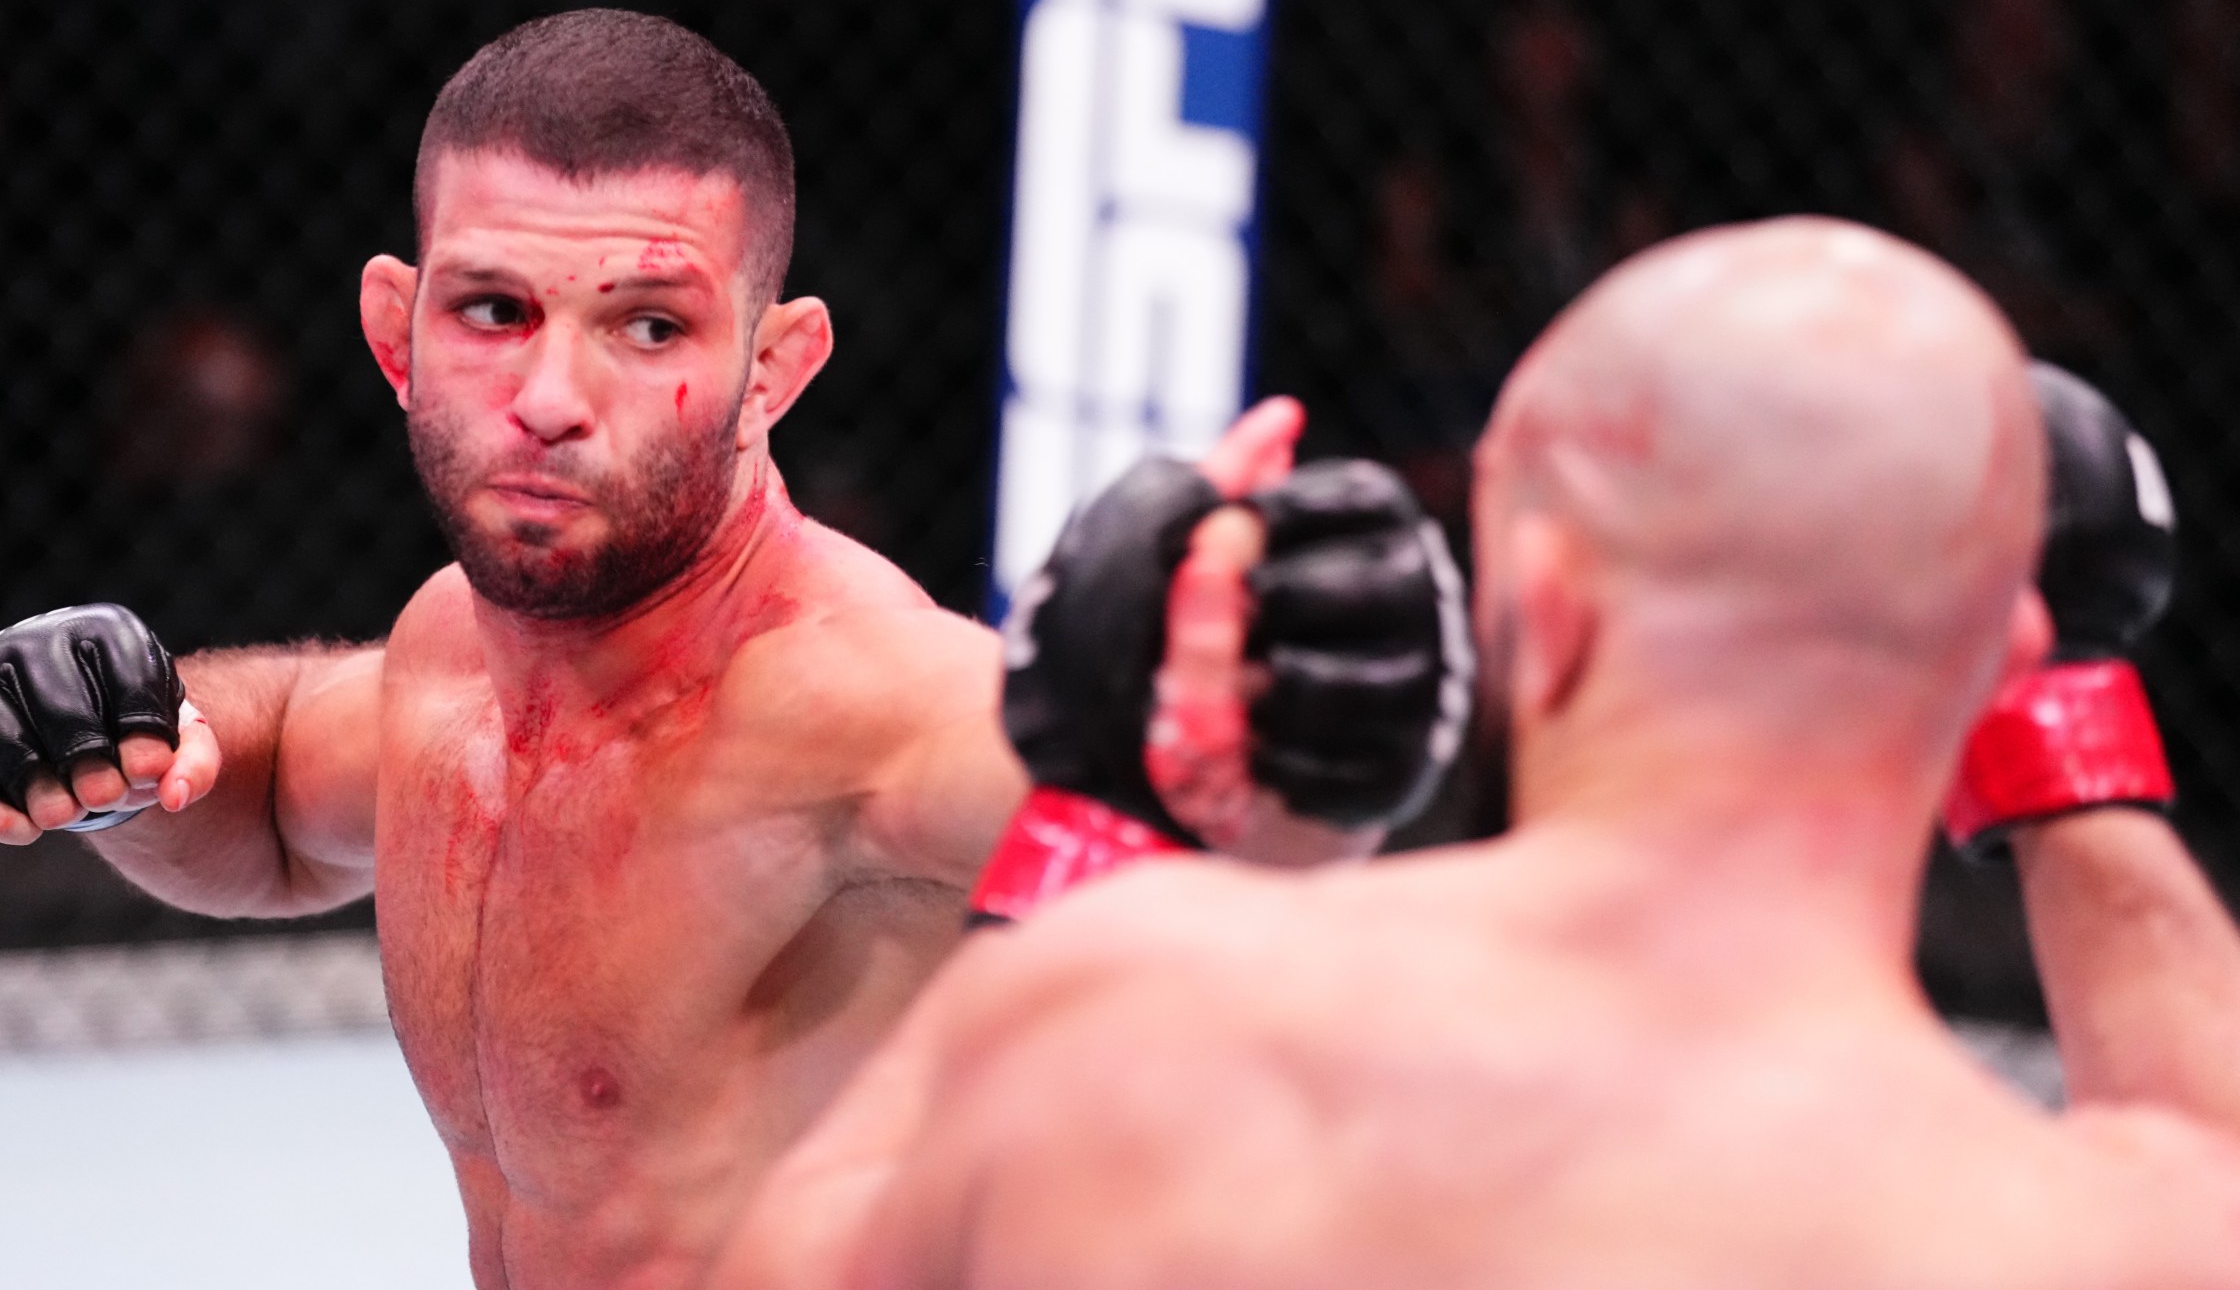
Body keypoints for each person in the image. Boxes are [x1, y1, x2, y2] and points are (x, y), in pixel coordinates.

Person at [0, 8, 1462, 1290]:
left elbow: (1193, 846)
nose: (552, 397)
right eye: (494, 310)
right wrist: (128, 738)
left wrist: (1286, 738)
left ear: (774, 365)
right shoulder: (455, 654)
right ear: (395, 332)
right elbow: (283, 795)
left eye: (650, 326)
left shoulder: (841, 700)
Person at [714, 217, 2240, 1290]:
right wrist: (2042, 696)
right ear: (2007, 659)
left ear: (1544, 612)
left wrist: (1094, 814)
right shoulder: (2089, 1238)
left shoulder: (1138, 1031)